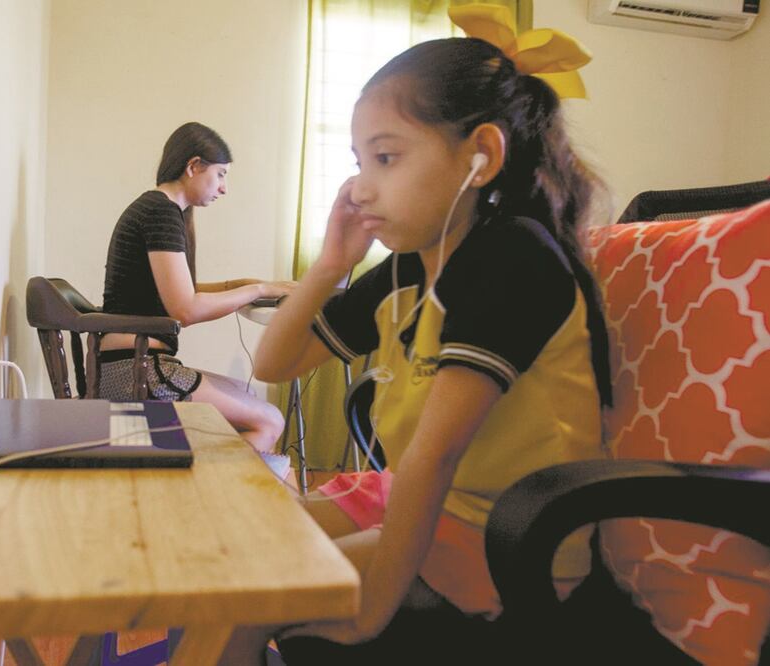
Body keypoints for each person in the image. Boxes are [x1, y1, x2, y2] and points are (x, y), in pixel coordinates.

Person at [222, 23, 613, 666]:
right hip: (440, 510)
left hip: (513, 540)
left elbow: (437, 455)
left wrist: (371, 611)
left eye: (387, 157)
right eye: (357, 162)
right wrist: (329, 267)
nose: (360, 187)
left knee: (255, 591)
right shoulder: (407, 266)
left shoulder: (511, 257)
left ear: (479, 155)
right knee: (245, 551)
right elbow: (276, 363)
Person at [100, 121, 295, 469]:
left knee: (247, 394)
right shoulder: (160, 212)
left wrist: (243, 285)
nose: (223, 188)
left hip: (137, 363)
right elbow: (185, 308)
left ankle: (202, 484)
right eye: (220, 175)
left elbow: (182, 289)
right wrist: (261, 289)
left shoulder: (161, 209)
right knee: (270, 421)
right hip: (135, 371)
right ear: (193, 167)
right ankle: (205, 493)